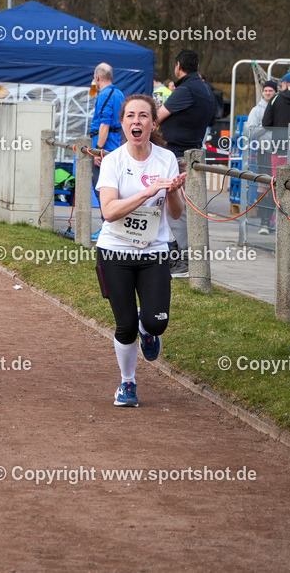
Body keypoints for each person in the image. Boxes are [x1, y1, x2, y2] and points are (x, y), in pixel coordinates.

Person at [95, 94, 186, 407]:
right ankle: (128, 383)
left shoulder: (166, 159)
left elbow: (175, 213)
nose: (137, 121)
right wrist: (149, 191)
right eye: (131, 116)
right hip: (115, 253)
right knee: (125, 326)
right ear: (122, 123)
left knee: (157, 321)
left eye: (143, 116)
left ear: (152, 123)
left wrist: (172, 191)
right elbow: (108, 211)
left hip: (154, 252)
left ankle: (149, 328)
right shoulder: (113, 161)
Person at [156, 49, 216, 277]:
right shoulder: (204, 88)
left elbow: (158, 117)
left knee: (177, 210)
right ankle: (179, 252)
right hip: (192, 152)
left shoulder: (186, 89)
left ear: (179, 65)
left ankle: (185, 258)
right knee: (184, 209)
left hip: (179, 156)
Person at [245, 80, 278, 233]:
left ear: (275, 92)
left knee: (276, 185)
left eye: (271, 91)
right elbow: (250, 132)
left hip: (279, 151)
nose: (268, 93)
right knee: (264, 184)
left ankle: (272, 219)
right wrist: (265, 126)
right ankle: (264, 221)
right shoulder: (256, 111)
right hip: (264, 151)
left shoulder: (280, 108)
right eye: (265, 91)